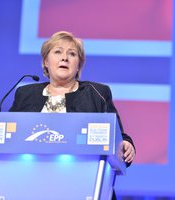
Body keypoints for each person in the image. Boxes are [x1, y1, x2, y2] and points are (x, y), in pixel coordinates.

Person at [9, 31, 135, 199]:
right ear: (46, 61)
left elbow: (117, 136)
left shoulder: (96, 93)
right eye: (58, 52)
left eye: (72, 54)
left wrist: (127, 144)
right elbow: (9, 136)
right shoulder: (25, 94)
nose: (65, 58)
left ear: (78, 65)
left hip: (86, 186)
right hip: (31, 184)